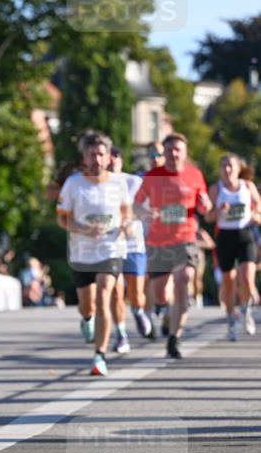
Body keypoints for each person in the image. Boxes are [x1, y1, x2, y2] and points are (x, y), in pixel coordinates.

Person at [57, 131, 131, 377]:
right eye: (92, 155)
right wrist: (83, 229)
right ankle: (86, 319)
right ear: (85, 158)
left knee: (103, 296)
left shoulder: (119, 183)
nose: (97, 159)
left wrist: (125, 225)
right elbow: (61, 217)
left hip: (110, 250)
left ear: (108, 156)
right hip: (82, 253)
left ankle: (99, 356)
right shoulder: (73, 184)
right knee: (87, 306)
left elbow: (127, 212)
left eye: (101, 154)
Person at [135, 133, 211, 359]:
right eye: (169, 150)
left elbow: (204, 205)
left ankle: (174, 338)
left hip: (185, 239)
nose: (173, 154)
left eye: (178, 149)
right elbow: (136, 204)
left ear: (185, 152)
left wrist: (205, 205)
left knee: (183, 279)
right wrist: (146, 213)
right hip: (158, 242)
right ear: (163, 153)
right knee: (159, 293)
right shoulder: (152, 176)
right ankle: (165, 308)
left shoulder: (194, 175)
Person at [205, 153, 261, 339]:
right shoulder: (215, 189)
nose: (227, 170)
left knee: (247, 279)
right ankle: (230, 317)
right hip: (225, 237)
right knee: (228, 283)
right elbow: (208, 217)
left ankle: (245, 311)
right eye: (224, 166)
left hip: (245, 235)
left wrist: (255, 216)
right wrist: (219, 210)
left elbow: (259, 208)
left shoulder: (247, 186)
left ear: (238, 169)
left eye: (230, 166)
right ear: (220, 170)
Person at [109, 147, 152, 340]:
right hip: (111, 245)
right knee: (116, 292)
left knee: (135, 292)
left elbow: (144, 209)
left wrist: (128, 217)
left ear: (121, 161)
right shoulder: (97, 185)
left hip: (133, 243)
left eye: (115, 159)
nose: (111, 163)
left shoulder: (134, 182)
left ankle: (138, 310)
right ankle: (121, 333)